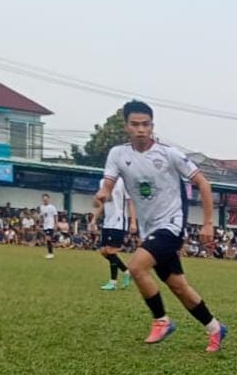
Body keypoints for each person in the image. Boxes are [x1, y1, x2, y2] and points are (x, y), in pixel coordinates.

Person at [97, 100, 227, 351]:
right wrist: (103, 194)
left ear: (152, 126)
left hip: (172, 224)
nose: (141, 129)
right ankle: (215, 328)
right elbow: (108, 183)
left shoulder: (170, 154)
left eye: (146, 124)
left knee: (136, 267)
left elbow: (204, 184)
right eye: (135, 124)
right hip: (149, 229)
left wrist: (208, 223)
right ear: (126, 126)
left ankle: (161, 320)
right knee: (178, 286)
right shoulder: (118, 154)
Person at [89, 177, 136, 290]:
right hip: (107, 221)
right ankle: (126, 271)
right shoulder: (102, 182)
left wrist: (133, 222)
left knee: (110, 251)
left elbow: (130, 203)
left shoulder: (124, 182)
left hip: (119, 221)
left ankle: (113, 282)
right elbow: (101, 204)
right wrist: (94, 219)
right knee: (104, 252)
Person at [39, 193, 59, 259]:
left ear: (48, 199)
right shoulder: (42, 207)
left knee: (48, 238)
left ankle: (51, 253)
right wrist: (40, 224)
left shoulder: (52, 207)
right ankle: (50, 252)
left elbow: (55, 216)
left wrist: (56, 225)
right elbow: (42, 217)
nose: (45, 200)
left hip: (50, 225)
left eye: (46, 199)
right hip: (45, 225)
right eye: (44, 199)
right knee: (48, 239)